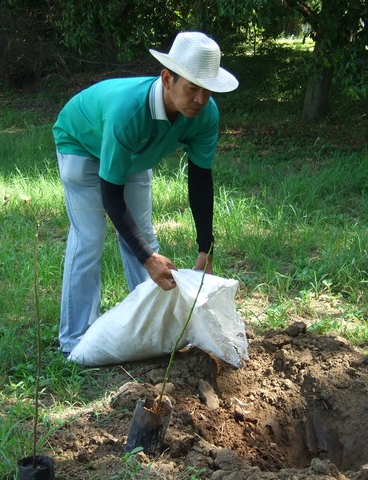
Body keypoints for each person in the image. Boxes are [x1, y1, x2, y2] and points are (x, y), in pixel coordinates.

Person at [52, 31, 239, 357]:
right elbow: (112, 196)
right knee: (90, 238)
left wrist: (205, 246)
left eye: (207, 90)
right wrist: (146, 257)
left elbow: (200, 179)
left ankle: (149, 331)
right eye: (192, 88)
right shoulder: (129, 112)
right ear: (167, 79)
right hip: (81, 143)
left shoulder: (205, 114)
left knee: (143, 240)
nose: (200, 99)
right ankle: (74, 342)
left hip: (133, 154)